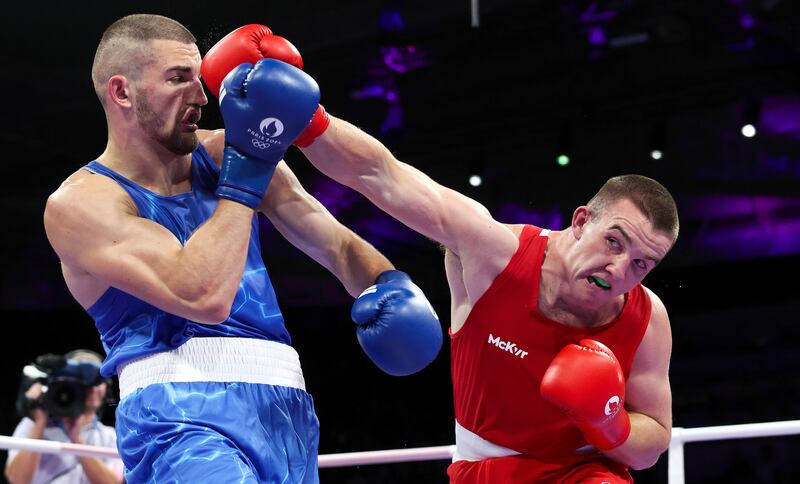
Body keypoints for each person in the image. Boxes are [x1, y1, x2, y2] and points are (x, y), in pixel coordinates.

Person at [204, 25, 679, 481]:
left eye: (642, 263)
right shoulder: (494, 251)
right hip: (486, 469)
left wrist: (608, 422)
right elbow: (381, 176)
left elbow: (652, 444)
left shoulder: (646, 317)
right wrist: (302, 119)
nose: (619, 269)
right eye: (614, 242)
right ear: (580, 222)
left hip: (586, 472)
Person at [43, 14, 442, 483]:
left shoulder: (220, 155)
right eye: (178, 79)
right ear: (122, 92)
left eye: (199, 77)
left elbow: (333, 242)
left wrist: (388, 283)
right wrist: (249, 167)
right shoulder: (82, 203)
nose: (201, 95)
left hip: (286, 411)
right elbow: (202, 294)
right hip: (179, 418)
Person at [5, 350, 124, 484]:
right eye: (83, 379)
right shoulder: (32, 425)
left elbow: (113, 483)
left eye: (96, 380)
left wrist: (77, 440)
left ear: (106, 388)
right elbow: (17, 480)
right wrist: (39, 423)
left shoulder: (110, 436)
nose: (92, 387)